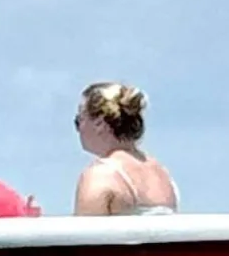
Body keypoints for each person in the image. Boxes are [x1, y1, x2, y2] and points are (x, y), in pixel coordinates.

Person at [72, 81, 179, 216]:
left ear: (99, 122)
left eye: (78, 120)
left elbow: (84, 235)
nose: (78, 129)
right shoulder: (161, 174)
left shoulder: (100, 175)